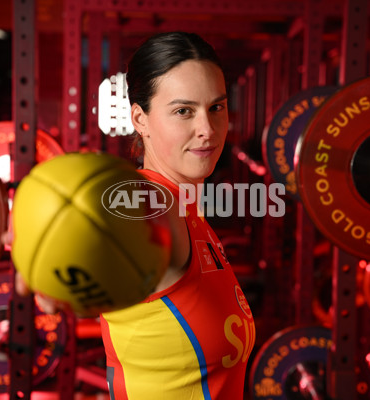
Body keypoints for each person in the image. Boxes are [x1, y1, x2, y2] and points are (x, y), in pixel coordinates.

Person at [17, 31, 255, 399]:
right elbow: (116, 216)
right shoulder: (154, 202)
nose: (207, 130)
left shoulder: (187, 202)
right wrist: (53, 239)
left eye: (216, 107)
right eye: (183, 111)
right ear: (140, 119)